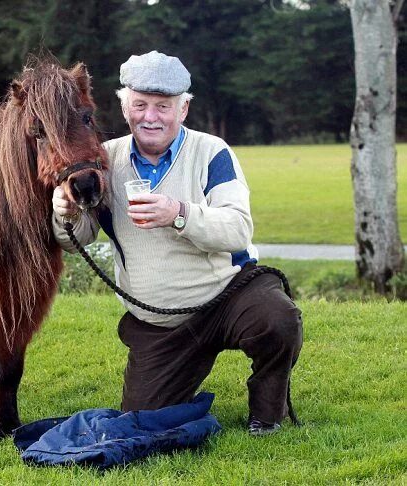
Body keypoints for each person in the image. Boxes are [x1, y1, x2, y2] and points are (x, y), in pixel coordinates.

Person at [51, 51, 303, 436]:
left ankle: (267, 410)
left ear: (183, 109)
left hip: (229, 295)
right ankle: (180, 379)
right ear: (124, 107)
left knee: (278, 318)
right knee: (144, 420)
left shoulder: (212, 151)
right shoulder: (106, 159)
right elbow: (79, 239)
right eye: (140, 105)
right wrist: (65, 212)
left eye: (163, 106)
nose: (150, 117)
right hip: (160, 322)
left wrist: (179, 213)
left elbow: (238, 229)